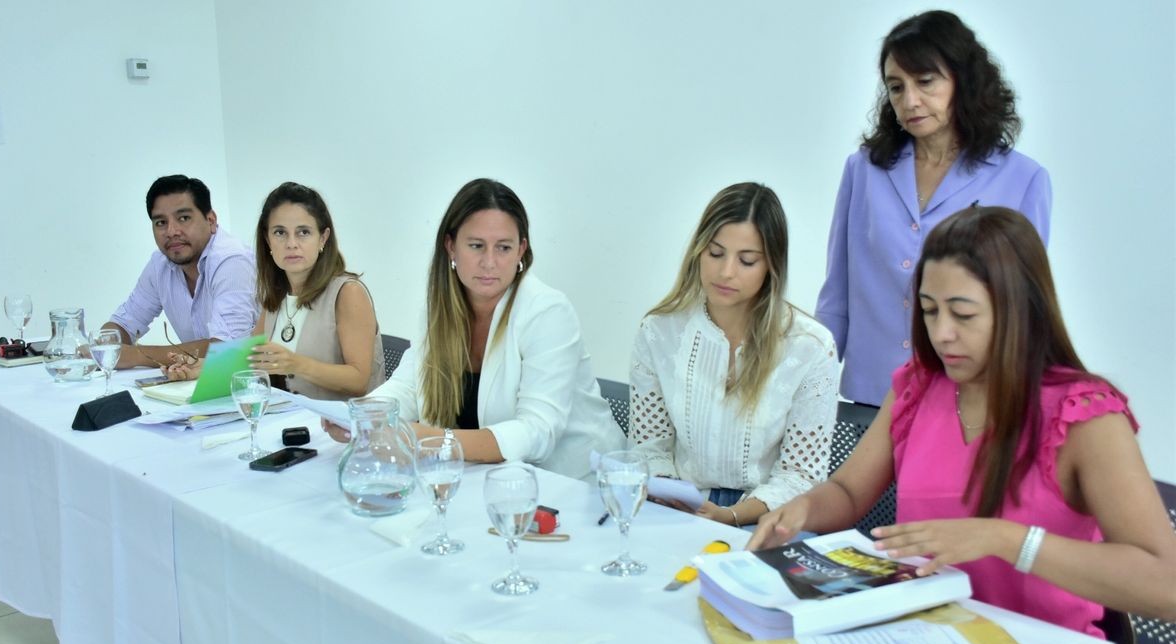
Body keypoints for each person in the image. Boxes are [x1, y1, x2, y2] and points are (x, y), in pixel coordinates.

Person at [749, 207, 1176, 637]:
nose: (942, 333)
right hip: (925, 642)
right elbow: (848, 492)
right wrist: (804, 509)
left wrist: (1005, 540)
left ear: (1020, 309)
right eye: (930, 310)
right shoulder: (916, 387)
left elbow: (1166, 585)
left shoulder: (1085, 415)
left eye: (963, 314)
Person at [815, 10, 1052, 407]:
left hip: (967, 402)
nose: (910, 101)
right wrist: (810, 386)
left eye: (925, 81)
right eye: (896, 87)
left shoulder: (1024, 180)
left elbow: (1025, 309)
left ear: (964, 80)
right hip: (872, 393)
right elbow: (836, 294)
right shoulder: (864, 170)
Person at [328, 178, 623, 480]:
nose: (489, 262)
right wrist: (361, 417)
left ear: (521, 250)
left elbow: (537, 432)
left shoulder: (547, 311)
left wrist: (431, 439)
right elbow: (410, 387)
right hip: (484, 478)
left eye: (504, 247)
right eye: (476, 246)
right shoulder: (438, 308)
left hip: (576, 485)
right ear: (451, 246)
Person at [629, 182, 839, 528]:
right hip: (678, 509)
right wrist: (675, 496)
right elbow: (649, 448)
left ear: (771, 265)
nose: (726, 272)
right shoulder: (659, 332)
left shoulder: (810, 347)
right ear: (698, 251)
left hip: (768, 519)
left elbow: (801, 475)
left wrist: (731, 516)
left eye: (747, 260)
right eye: (715, 253)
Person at [167, 182, 384, 400]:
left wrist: (297, 363)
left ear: (323, 238)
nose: (291, 243)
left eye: (303, 232)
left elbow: (359, 381)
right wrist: (202, 367)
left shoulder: (348, 293)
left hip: (343, 419)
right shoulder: (276, 295)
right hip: (288, 416)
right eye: (280, 232)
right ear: (267, 239)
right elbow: (250, 361)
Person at [105, 175, 258, 368]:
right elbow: (125, 324)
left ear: (211, 220)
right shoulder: (160, 264)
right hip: (201, 380)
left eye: (183, 218)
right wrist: (101, 346)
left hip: (258, 380)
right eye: (161, 222)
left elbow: (227, 350)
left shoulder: (232, 261)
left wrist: (137, 355)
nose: (171, 231)